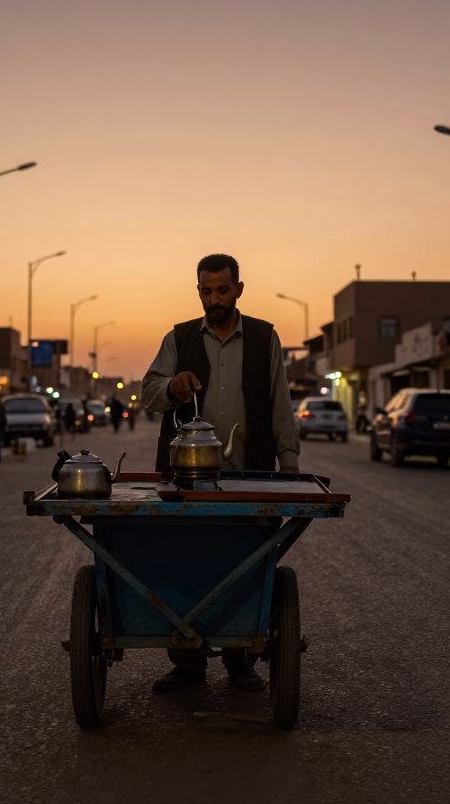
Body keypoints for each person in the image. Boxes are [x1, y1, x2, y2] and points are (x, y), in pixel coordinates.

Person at [141, 253, 300, 695]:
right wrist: (171, 387)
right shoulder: (179, 338)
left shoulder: (266, 338)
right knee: (185, 563)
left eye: (223, 290)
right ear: (198, 292)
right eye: (207, 291)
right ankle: (187, 661)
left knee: (246, 565)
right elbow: (148, 393)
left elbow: (280, 405)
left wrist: (289, 464)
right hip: (187, 482)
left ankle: (242, 661)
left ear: (239, 289)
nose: (216, 299)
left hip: (250, 479)